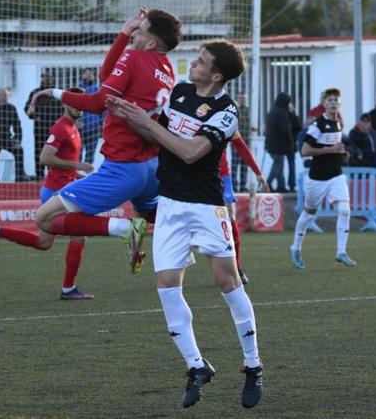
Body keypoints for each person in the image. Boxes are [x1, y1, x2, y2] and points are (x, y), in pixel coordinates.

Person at [106, 39, 263, 409]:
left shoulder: (227, 114)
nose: (193, 64)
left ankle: (253, 365)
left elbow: (190, 152)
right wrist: (130, 116)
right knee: (166, 286)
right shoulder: (178, 92)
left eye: (201, 62)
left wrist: (148, 123)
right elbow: (159, 137)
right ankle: (196, 366)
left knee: (228, 281)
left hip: (207, 208)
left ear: (217, 75)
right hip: (171, 205)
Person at [27, 8, 182, 273]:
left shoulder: (134, 58)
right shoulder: (167, 68)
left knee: (45, 218)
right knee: (153, 215)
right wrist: (123, 33)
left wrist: (53, 92)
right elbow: (107, 78)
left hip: (123, 168)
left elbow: (98, 102)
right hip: (151, 167)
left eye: (140, 32)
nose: (135, 35)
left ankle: (124, 227)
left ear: (152, 42)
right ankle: (183, 240)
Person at [0, 88, 97, 300]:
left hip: (61, 190)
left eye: (81, 104)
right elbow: (45, 158)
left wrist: (79, 176)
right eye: (74, 103)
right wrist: (77, 165)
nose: (78, 107)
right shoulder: (60, 128)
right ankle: (68, 289)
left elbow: (62, 167)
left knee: (44, 243)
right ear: (65, 104)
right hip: (56, 194)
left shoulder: (73, 129)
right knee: (79, 236)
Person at [289, 87, 356, 269]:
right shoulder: (317, 125)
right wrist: (330, 150)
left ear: (340, 103)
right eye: (330, 100)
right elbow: (304, 151)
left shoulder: (339, 123)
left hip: (336, 175)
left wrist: (342, 155)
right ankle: (295, 247)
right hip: (317, 178)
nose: (333, 103)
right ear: (323, 104)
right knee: (309, 213)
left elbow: (334, 147)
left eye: (336, 100)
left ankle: (341, 252)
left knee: (344, 210)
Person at [220, 133, 268, 285]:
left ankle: (236, 266)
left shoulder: (226, 118)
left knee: (231, 217)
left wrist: (258, 172)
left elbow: (241, 146)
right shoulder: (193, 116)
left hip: (222, 176)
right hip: (198, 178)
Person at [0, 89, 30, 182]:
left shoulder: (11, 108)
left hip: (5, 138)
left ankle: (19, 178)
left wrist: (17, 139)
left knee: (19, 150)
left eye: (6, 95)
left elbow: (17, 125)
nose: (4, 97)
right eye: (2, 95)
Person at [26, 71, 63, 181]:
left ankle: (53, 176)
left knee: (55, 152)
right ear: (41, 79)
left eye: (49, 77)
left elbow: (63, 109)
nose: (46, 79)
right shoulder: (36, 93)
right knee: (39, 152)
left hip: (55, 130)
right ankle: (39, 177)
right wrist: (35, 116)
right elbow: (27, 109)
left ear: (53, 79)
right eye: (44, 77)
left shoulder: (57, 93)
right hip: (39, 129)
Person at [265, 93, 294, 193]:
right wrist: (290, 143)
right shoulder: (282, 112)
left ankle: (281, 185)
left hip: (271, 143)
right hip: (279, 144)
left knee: (279, 164)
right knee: (278, 164)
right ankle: (268, 183)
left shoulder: (272, 111)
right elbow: (285, 130)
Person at [77, 68, 103, 165]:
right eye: (86, 73)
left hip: (94, 127)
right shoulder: (79, 89)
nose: (88, 75)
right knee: (78, 152)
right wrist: (78, 120)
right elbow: (75, 105)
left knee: (90, 153)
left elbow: (102, 107)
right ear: (82, 75)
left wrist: (101, 122)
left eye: (90, 73)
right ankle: (76, 173)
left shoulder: (97, 89)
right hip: (81, 127)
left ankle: (87, 174)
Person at [232, 92, 254, 192]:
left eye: (245, 99)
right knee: (235, 166)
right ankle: (234, 186)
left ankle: (242, 186)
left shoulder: (249, 111)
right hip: (236, 144)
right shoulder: (235, 110)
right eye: (241, 99)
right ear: (237, 99)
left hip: (246, 144)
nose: (243, 101)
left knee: (244, 166)